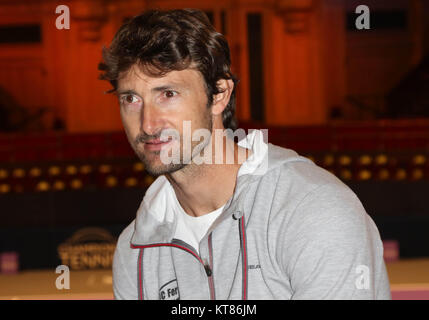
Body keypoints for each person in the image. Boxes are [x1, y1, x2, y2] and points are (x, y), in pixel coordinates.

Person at [98, 8, 391, 300]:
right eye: (131, 99)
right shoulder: (134, 249)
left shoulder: (313, 209)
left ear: (219, 95)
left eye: (168, 94)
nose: (148, 124)